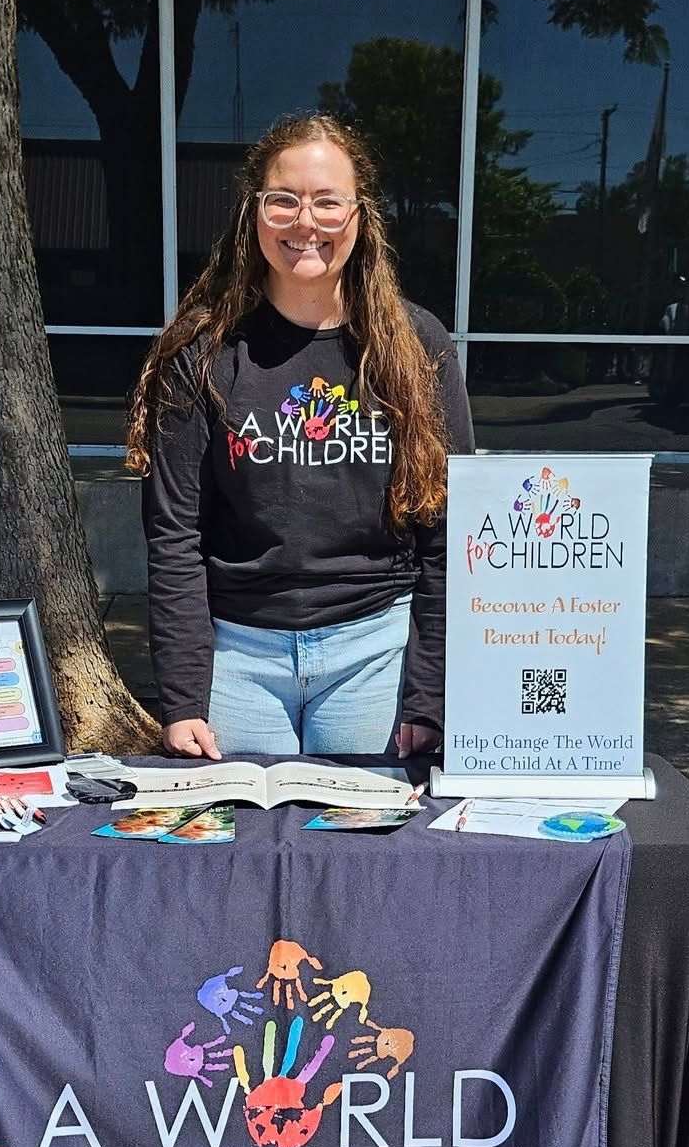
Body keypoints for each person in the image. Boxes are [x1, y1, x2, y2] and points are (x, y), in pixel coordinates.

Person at [124, 112, 475, 760]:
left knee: (366, 856)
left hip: (377, 655)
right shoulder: (200, 353)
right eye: (283, 200)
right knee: (242, 854)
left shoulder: (416, 347)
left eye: (327, 202)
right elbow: (173, 535)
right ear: (253, 214)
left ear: (360, 216)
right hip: (238, 663)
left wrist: (429, 693)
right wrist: (182, 700)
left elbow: (449, 530)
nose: (304, 221)